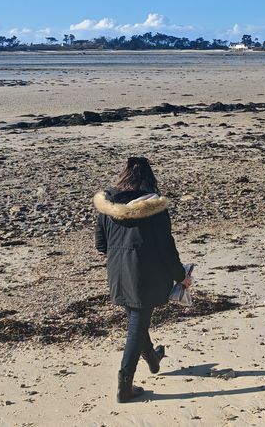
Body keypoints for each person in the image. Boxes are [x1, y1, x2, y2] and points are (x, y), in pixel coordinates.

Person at [93, 156, 192, 402]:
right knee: (137, 324)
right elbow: (167, 249)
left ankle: (152, 358)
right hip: (147, 276)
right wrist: (182, 277)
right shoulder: (156, 210)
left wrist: (121, 256)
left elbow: (101, 244)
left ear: (123, 176)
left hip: (118, 272)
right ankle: (124, 384)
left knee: (137, 320)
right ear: (149, 179)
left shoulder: (107, 207)